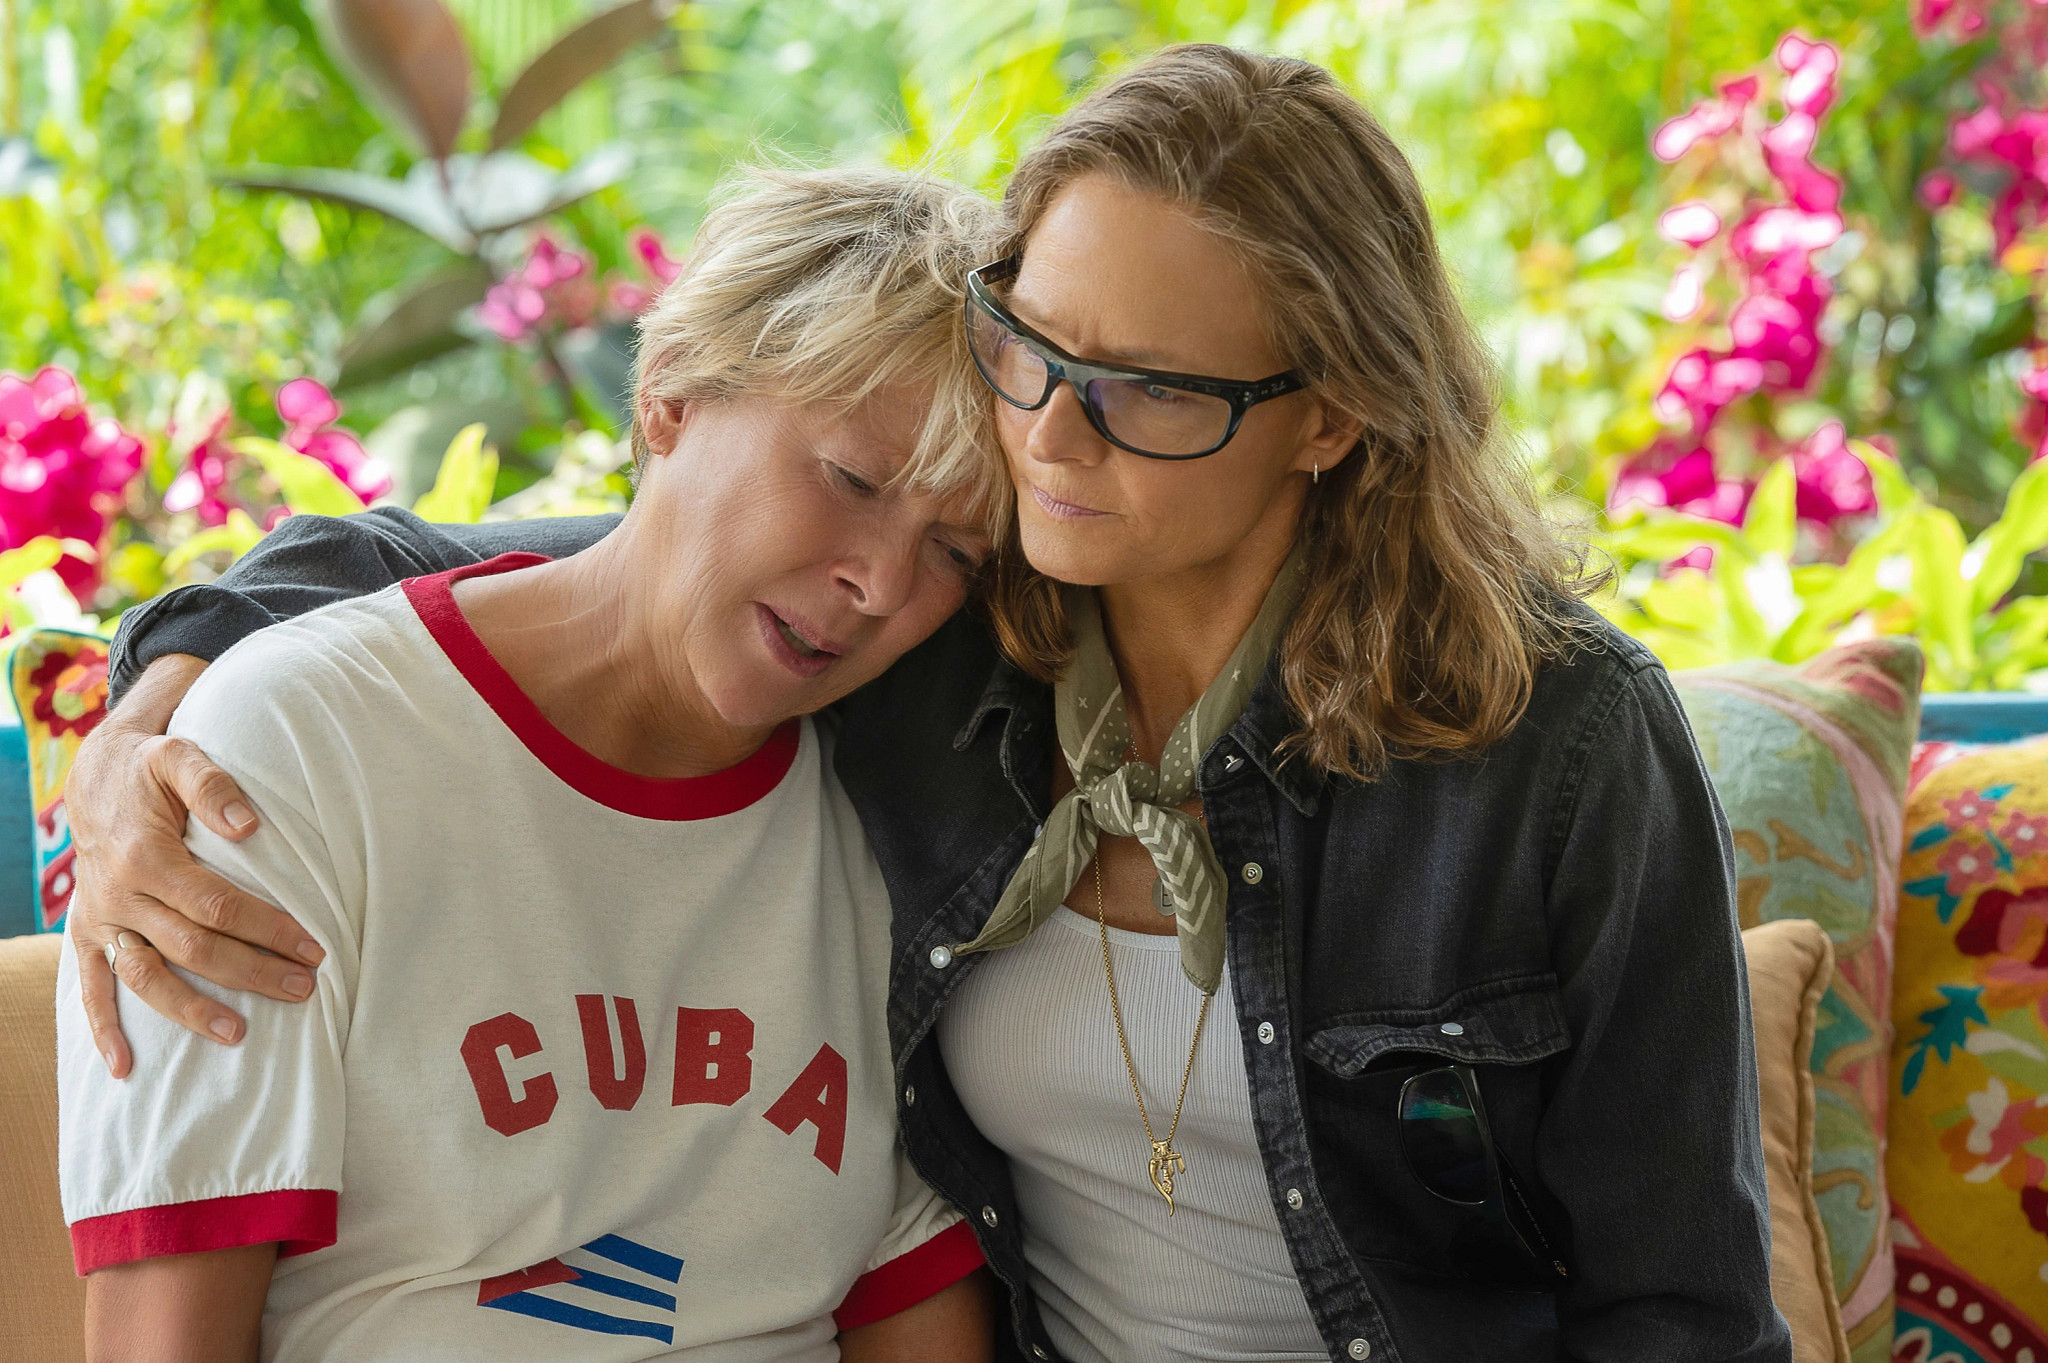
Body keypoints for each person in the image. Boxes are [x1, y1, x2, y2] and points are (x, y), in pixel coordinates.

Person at [66, 45, 1792, 1363]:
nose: (1048, 434)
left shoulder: (1552, 744)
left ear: (1330, 415)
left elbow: (1681, 1309)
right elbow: (538, 572)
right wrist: (154, 708)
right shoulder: (958, 641)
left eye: (1144, 392)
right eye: (1031, 346)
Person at [54, 168, 1004, 1362]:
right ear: (670, 391)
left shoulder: (902, 803)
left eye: (953, 550)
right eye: (851, 479)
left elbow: (908, 1298)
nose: (878, 583)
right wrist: (155, 702)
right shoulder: (287, 750)